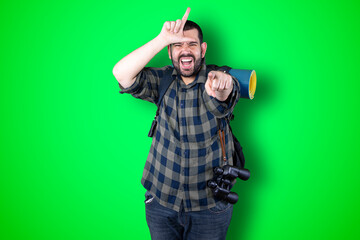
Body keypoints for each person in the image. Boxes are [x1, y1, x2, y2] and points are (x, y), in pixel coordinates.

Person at [113, 7, 241, 240]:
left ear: (202, 49)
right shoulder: (162, 80)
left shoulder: (216, 78)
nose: (185, 51)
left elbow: (224, 95)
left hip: (209, 206)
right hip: (161, 201)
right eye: (178, 45)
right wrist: (162, 39)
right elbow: (121, 73)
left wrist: (223, 87)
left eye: (191, 44)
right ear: (170, 51)